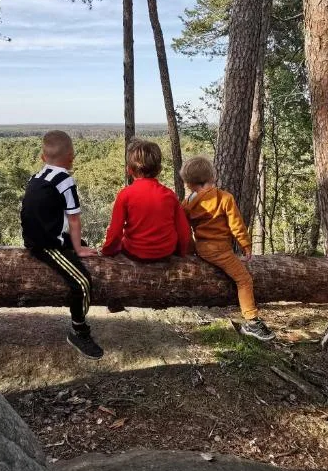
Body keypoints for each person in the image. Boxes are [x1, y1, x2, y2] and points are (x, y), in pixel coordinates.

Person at [20, 130, 103, 359]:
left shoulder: (37, 177)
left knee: (80, 245)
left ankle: (74, 247)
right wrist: (78, 250)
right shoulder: (65, 180)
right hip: (45, 245)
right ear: (71, 158)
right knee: (83, 282)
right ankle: (79, 330)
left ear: (42, 157)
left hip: (34, 236)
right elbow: (74, 219)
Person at [180, 155, 275, 341]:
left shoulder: (187, 203)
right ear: (212, 177)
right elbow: (236, 225)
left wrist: (189, 250)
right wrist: (245, 245)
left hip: (201, 249)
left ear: (189, 183)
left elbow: (184, 228)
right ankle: (252, 320)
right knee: (244, 280)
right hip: (220, 251)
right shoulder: (224, 198)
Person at [101, 138, 193, 261]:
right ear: (159, 170)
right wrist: (181, 253)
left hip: (135, 253)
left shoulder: (125, 195)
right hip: (165, 253)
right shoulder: (169, 195)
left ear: (129, 170)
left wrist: (106, 252)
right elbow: (184, 231)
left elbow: (115, 232)